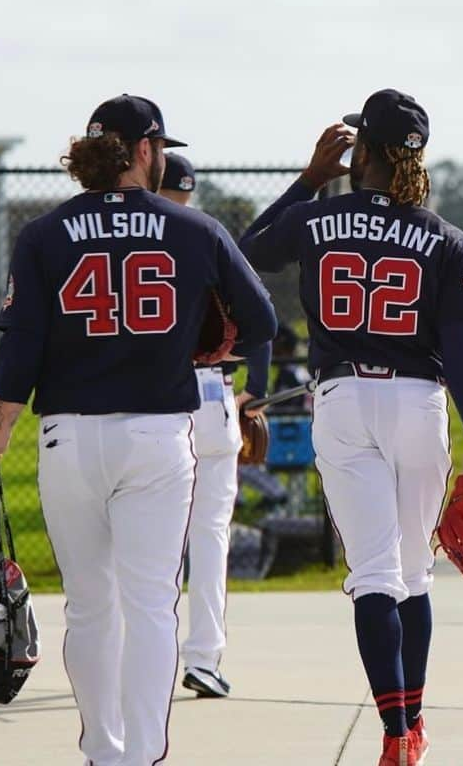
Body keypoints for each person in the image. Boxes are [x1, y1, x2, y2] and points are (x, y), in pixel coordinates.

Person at [0, 94, 277, 766]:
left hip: (68, 439)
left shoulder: (44, 233)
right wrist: (194, 340)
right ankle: (142, 756)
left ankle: (103, 755)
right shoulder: (194, 230)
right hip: (156, 437)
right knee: (150, 607)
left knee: (88, 608)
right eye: (159, 146)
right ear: (144, 151)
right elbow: (260, 322)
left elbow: (20, 347)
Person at [239, 89, 463, 766]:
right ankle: (412, 727)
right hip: (418, 403)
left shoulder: (317, 217)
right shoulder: (443, 236)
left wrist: (308, 180)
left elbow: (244, 258)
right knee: (414, 574)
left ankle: (393, 734)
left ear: (359, 151)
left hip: (344, 401)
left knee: (375, 573)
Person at [158, 151, 271, 699]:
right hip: (211, 395)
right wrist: (260, 386)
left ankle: (143, 650)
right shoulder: (204, 235)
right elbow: (261, 319)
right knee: (208, 535)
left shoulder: (123, 240)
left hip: (145, 400)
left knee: (143, 538)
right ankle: (203, 657)